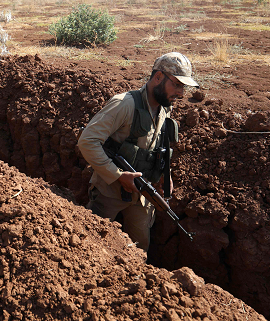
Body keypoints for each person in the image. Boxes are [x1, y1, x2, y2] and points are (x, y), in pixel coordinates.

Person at [78, 52, 198, 256]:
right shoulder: (124, 104)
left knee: (139, 249)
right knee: (92, 246)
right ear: (158, 77)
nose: (180, 93)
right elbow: (87, 142)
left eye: (183, 87)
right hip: (109, 191)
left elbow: (158, 146)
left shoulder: (163, 109)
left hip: (142, 194)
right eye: (177, 85)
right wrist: (118, 176)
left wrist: (165, 175)